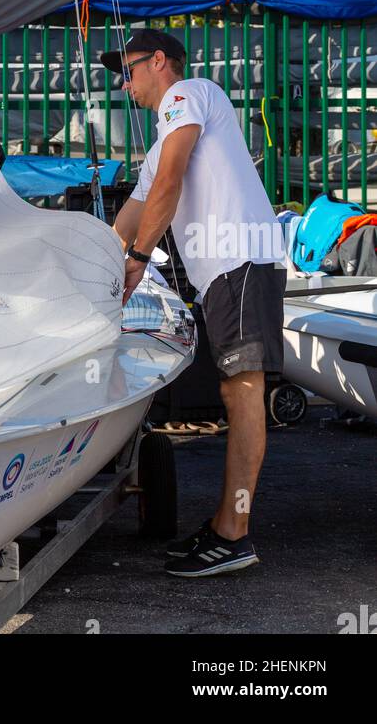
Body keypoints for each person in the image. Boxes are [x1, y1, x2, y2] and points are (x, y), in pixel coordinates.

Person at [103, 29, 286, 578]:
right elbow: (131, 216)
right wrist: (96, 271)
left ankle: (236, 532)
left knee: (242, 390)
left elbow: (171, 184)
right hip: (223, 277)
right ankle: (226, 524)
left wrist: (136, 257)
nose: (124, 83)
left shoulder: (189, 95)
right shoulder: (157, 147)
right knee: (235, 389)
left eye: (129, 70)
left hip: (241, 262)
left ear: (159, 62)